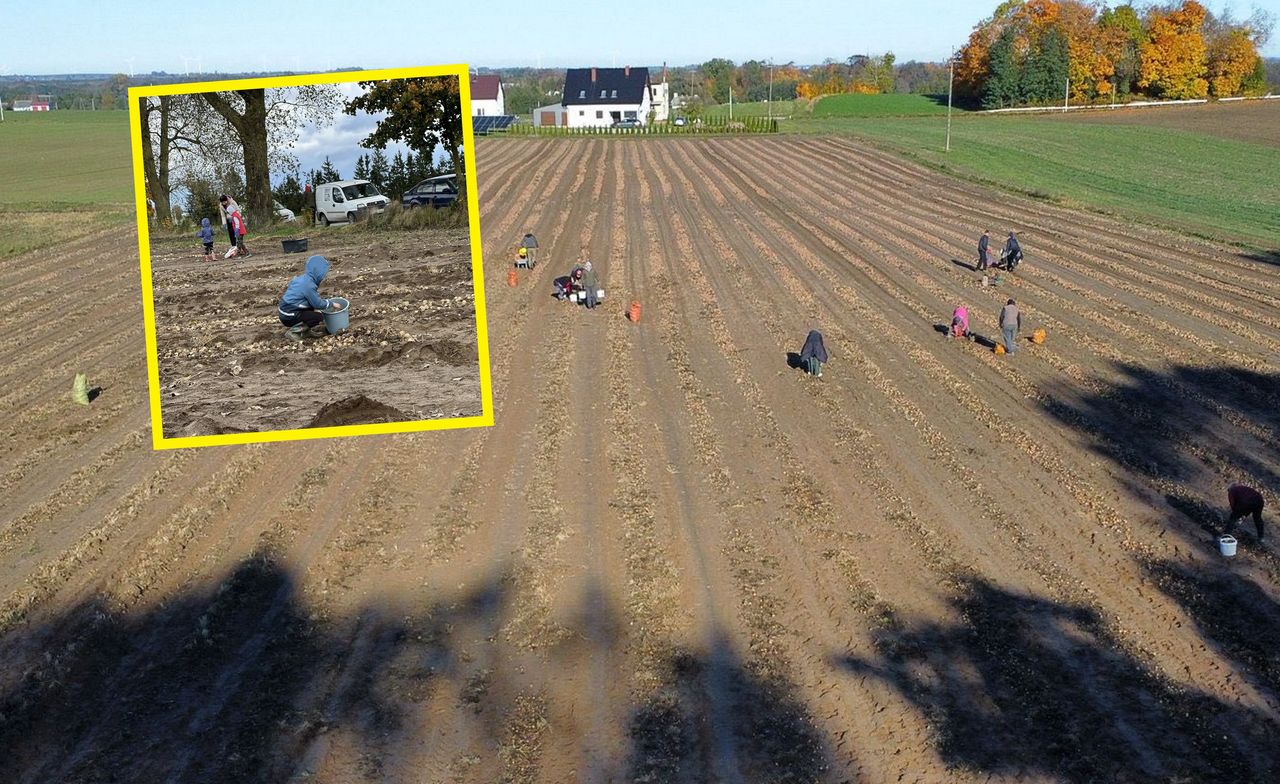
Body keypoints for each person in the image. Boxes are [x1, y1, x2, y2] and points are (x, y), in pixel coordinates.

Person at [278, 255, 334, 341]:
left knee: (311, 307)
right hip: (289, 315)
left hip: (284, 310)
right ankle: (294, 331)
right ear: (318, 272)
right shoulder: (309, 285)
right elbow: (318, 304)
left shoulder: (301, 279)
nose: (323, 277)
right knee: (318, 317)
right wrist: (331, 303)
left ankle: (306, 332)